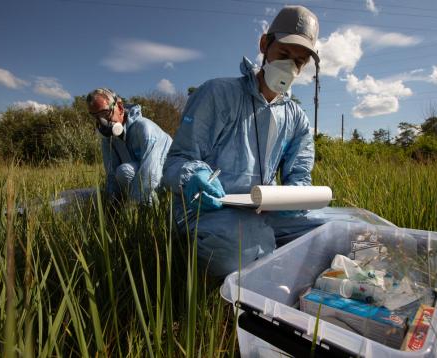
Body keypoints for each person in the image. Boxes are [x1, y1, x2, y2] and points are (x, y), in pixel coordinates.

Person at [162, 6, 388, 277]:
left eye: (299, 61)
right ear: (263, 45)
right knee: (238, 252)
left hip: (264, 213)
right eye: (284, 54)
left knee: (357, 231)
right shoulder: (217, 94)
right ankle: (268, 257)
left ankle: (279, 252)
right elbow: (176, 161)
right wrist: (193, 176)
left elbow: (299, 176)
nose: (290, 66)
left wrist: (292, 199)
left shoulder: (295, 117)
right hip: (211, 212)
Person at [87, 88, 172, 206]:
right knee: (122, 173)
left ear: (120, 108)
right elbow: (112, 175)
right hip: (144, 183)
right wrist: (110, 205)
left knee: (125, 171)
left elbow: (151, 174)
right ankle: (143, 207)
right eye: (96, 117)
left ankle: (154, 210)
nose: (102, 122)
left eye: (105, 113)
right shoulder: (108, 139)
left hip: (167, 180)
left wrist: (130, 208)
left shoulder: (144, 129)